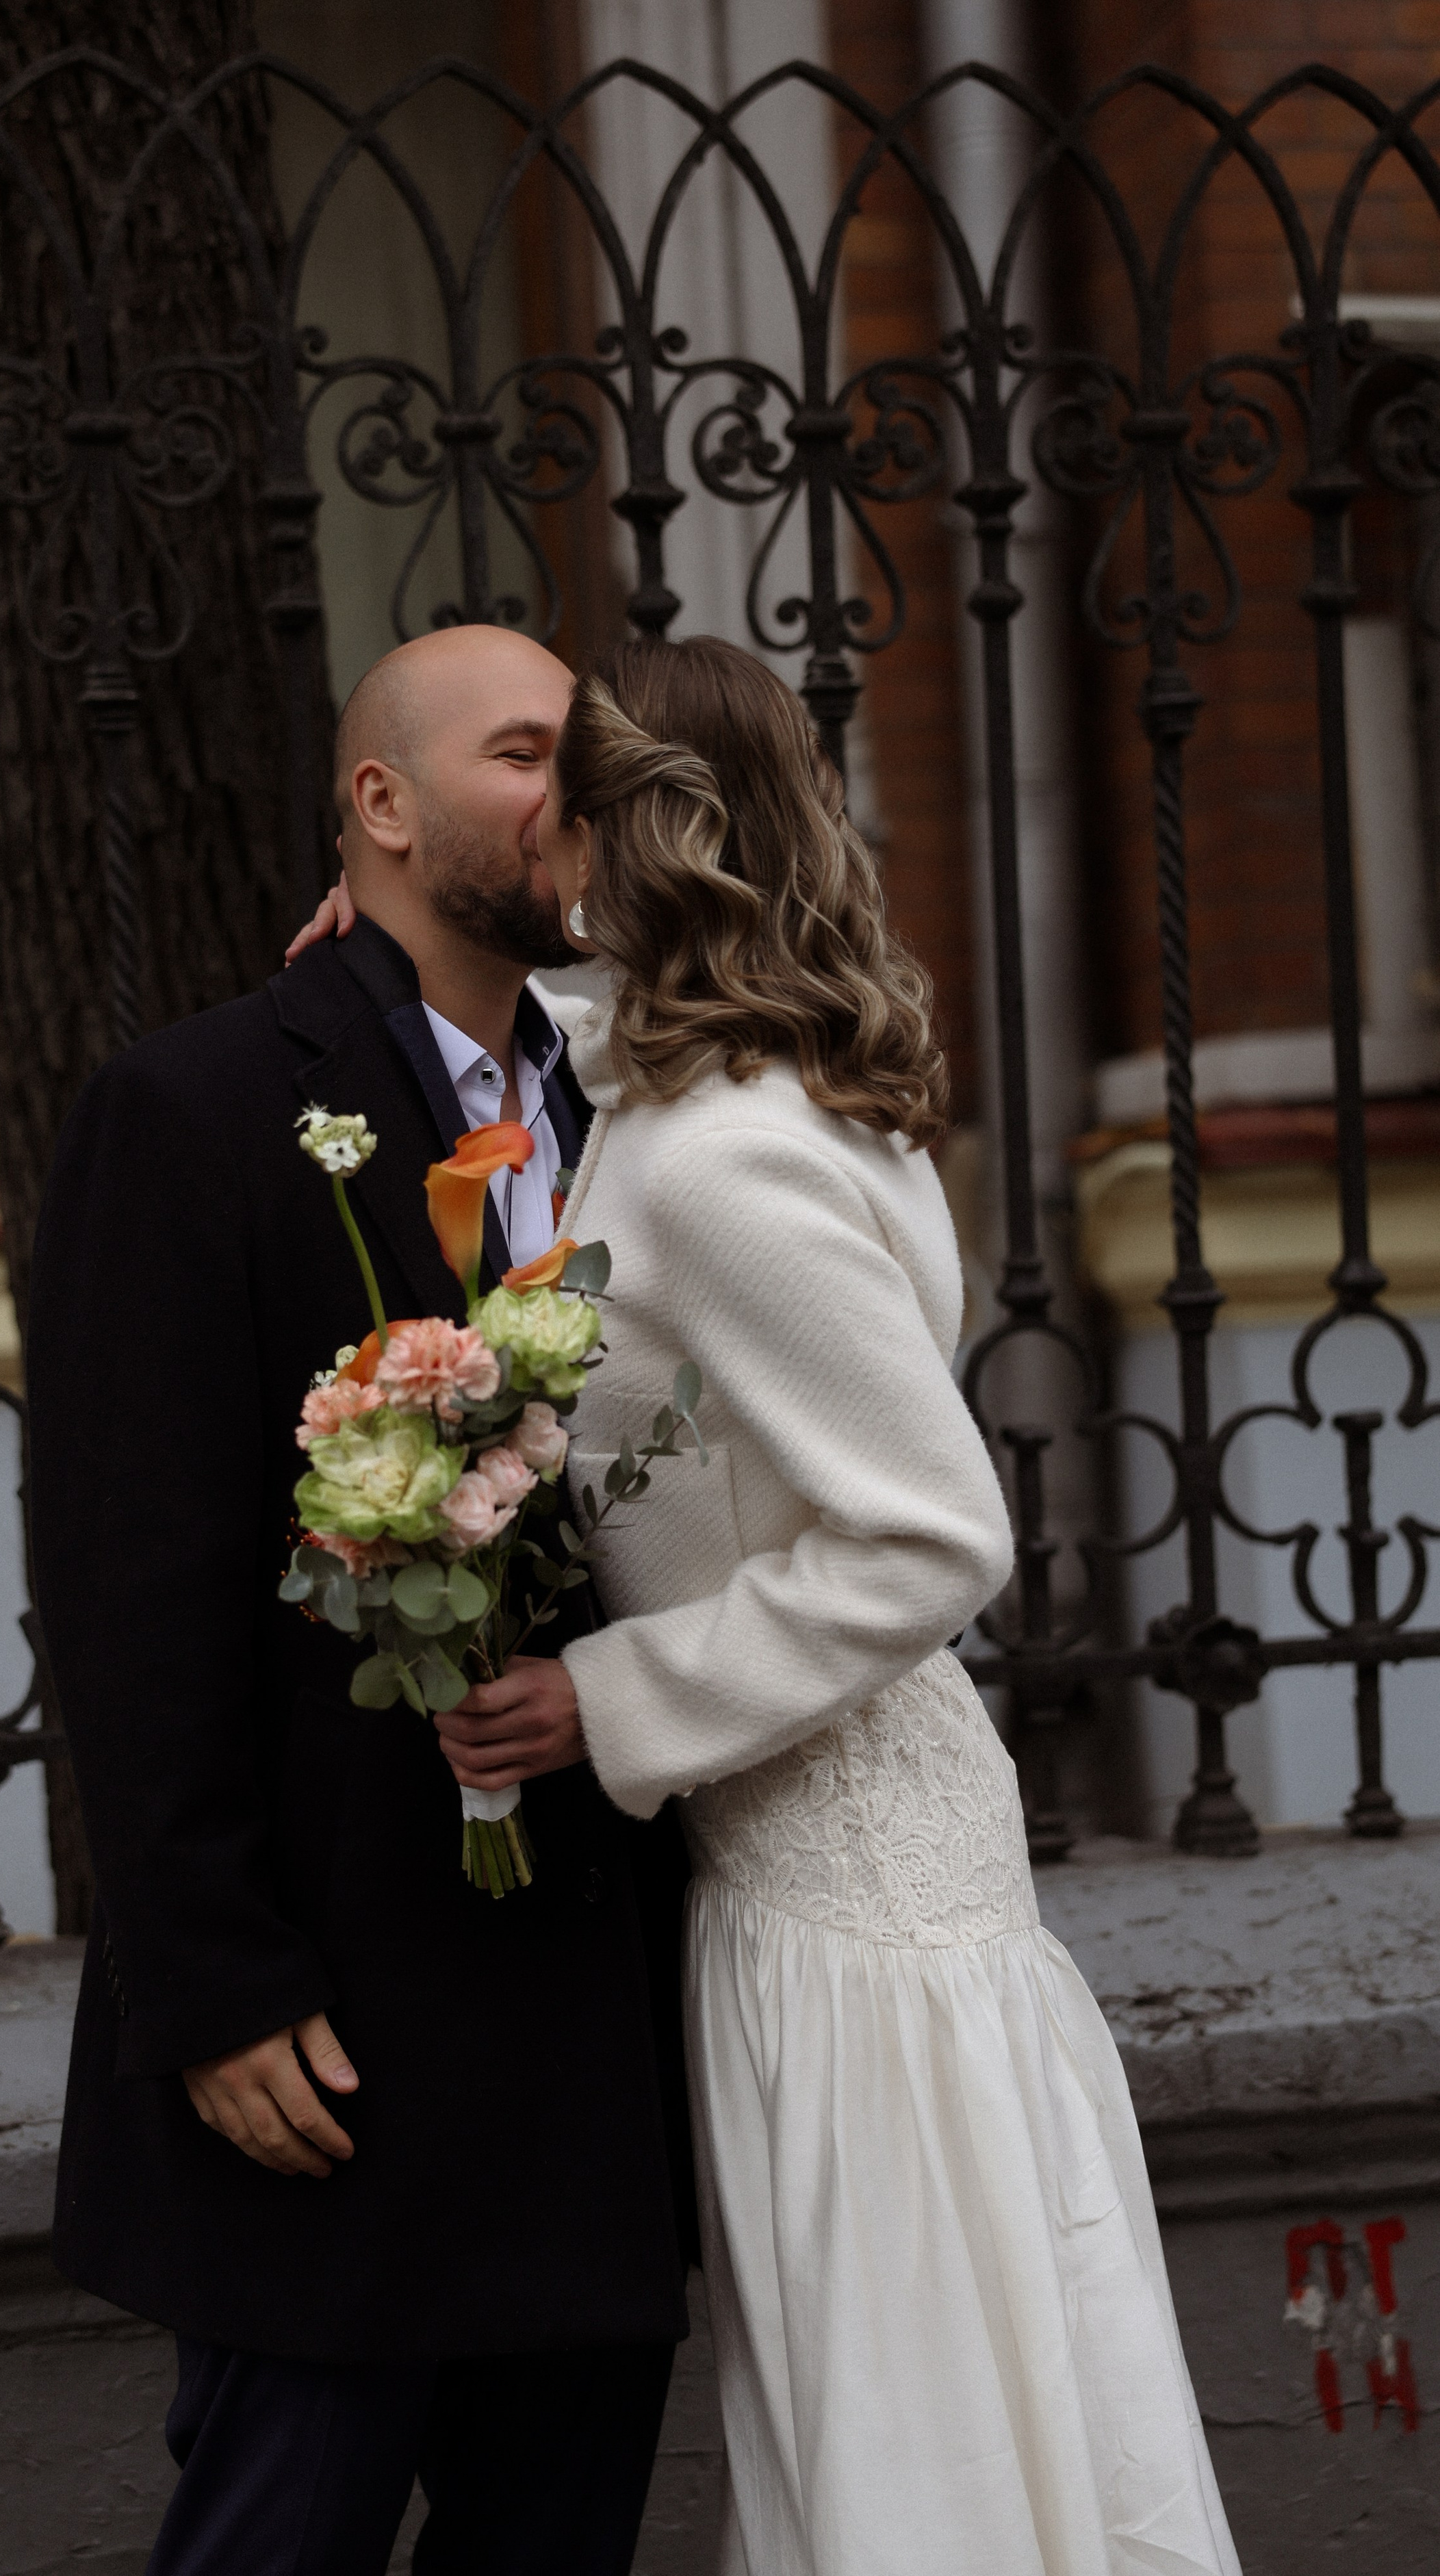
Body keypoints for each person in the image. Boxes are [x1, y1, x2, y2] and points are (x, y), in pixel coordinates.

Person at [446, 634, 1242, 2576]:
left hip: (843, 1884)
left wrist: (613, 1701)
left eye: (571, 790)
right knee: (911, 2399)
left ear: (652, 834)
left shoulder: (726, 1162)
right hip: (808, 1854)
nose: (535, 825)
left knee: (910, 2420)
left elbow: (924, 1533)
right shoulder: (751, 1104)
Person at [28, 623, 693, 2576]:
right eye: (521, 751)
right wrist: (212, 1989)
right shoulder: (206, 1109)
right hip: (339, 2041)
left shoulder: (641, 1115)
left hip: (594, 2043)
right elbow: (124, 1585)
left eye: (585, 753)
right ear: (380, 806)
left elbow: (659, 1472)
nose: (571, 790)